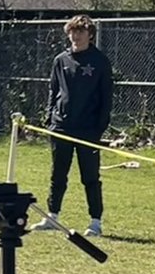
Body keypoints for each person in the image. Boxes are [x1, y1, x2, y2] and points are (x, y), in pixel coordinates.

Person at [30, 14, 113, 237]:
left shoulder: (99, 61)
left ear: (90, 35)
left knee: (90, 177)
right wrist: (49, 120)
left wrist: (99, 128)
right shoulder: (60, 60)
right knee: (58, 174)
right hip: (61, 128)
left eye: (80, 32)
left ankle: (95, 222)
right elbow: (53, 91)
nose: (75, 36)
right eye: (72, 32)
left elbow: (106, 97)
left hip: (88, 130)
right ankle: (52, 216)